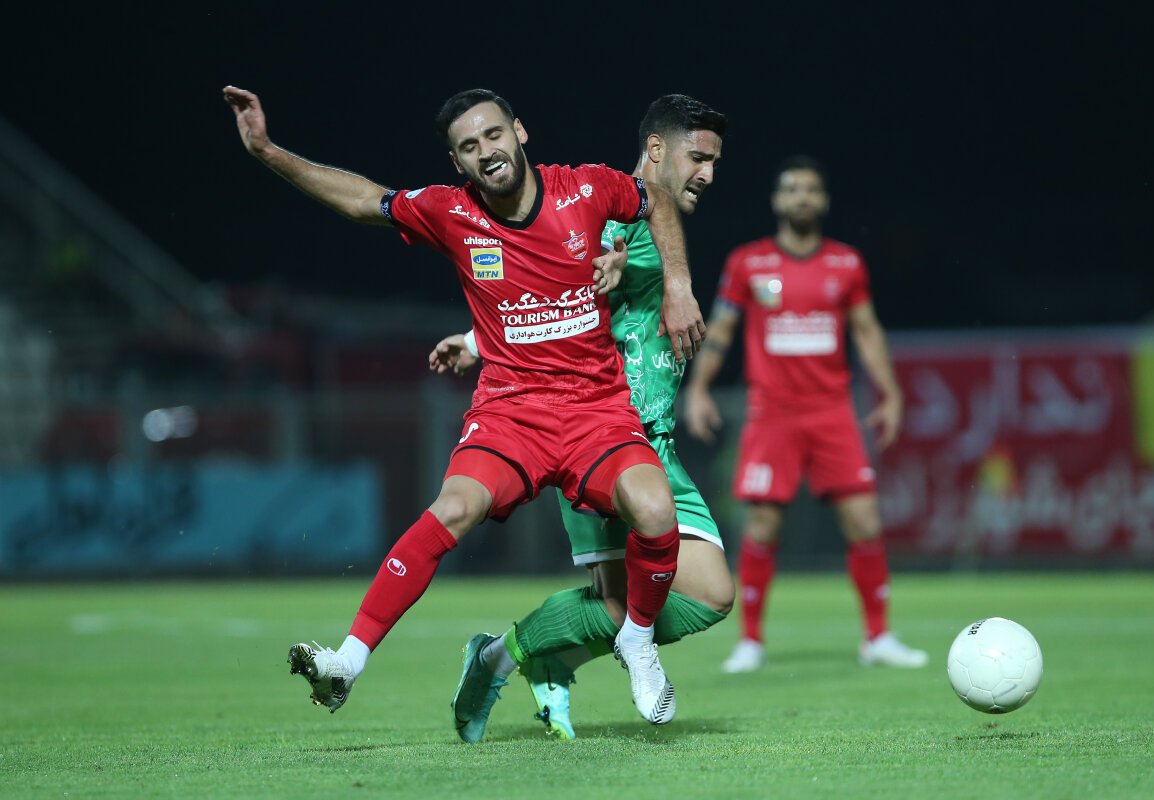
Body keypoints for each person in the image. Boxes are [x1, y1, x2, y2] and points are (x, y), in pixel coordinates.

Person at [222, 85, 708, 726]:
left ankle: (638, 644)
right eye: (469, 146)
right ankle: (346, 662)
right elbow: (363, 201)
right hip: (511, 413)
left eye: (494, 135)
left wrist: (678, 285)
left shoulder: (586, 188)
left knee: (654, 508)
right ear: (457, 161)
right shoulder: (450, 212)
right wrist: (267, 151)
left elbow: (658, 200)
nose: (487, 151)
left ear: (520, 132)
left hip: (595, 410)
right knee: (452, 508)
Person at [429, 95, 733, 742]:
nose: (707, 173)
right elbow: (554, 284)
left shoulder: (654, 224)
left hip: (654, 442)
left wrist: (477, 343)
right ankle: (508, 658)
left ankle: (521, 658)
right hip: (601, 437)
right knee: (627, 604)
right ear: (656, 150)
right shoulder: (602, 214)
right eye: (697, 157)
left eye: (714, 161)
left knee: (708, 595)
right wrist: (485, 338)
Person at [683, 155, 928, 673]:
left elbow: (867, 330)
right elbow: (722, 329)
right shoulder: (749, 263)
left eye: (811, 189)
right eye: (792, 189)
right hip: (771, 413)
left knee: (864, 520)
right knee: (762, 525)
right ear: (777, 200)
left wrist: (890, 393)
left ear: (824, 201)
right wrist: (699, 388)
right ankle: (750, 641)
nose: (802, 197)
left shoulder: (846, 263)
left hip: (832, 410)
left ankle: (878, 637)